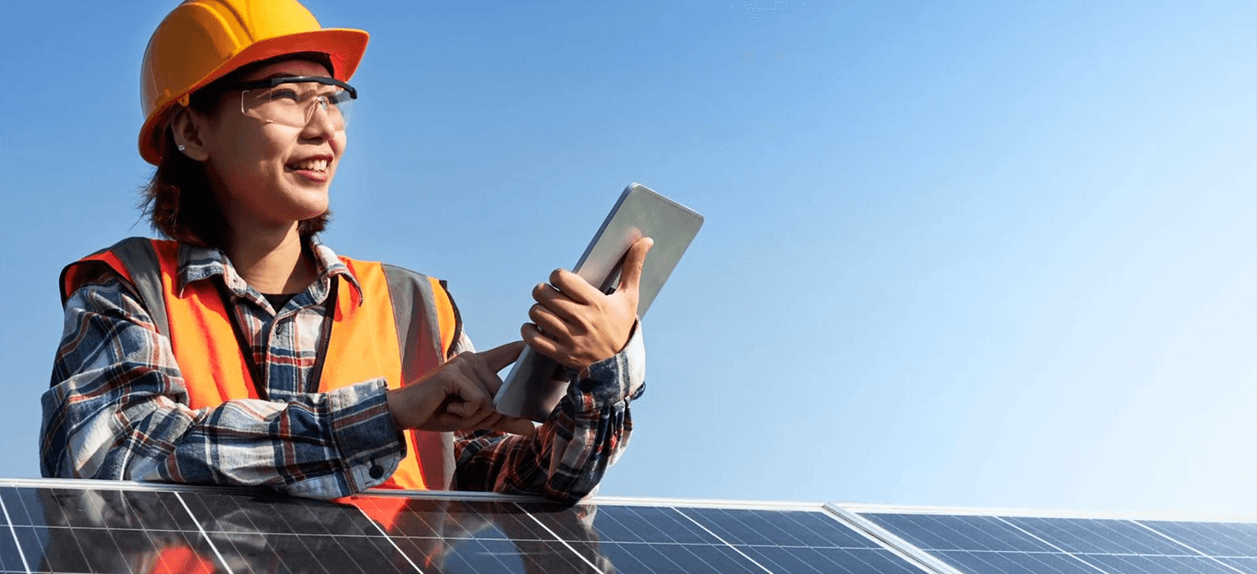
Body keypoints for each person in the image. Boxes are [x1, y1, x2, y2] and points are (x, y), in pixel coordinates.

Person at [40, 0, 651, 504]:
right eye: (285, 95)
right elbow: (108, 453)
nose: (323, 127)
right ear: (192, 131)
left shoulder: (414, 306)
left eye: (331, 98)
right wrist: (386, 415)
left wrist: (601, 368)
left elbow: (513, 485)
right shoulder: (128, 290)